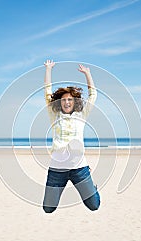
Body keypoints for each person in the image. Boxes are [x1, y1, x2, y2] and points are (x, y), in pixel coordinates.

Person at [42, 59, 100, 213]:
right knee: (48, 208)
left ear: (74, 101)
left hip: (78, 167)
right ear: (60, 102)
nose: (67, 102)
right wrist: (48, 69)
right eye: (64, 100)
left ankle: (93, 187)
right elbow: (47, 92)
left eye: (70, 99)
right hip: (57, 168)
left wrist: (88, 74)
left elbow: (93, 95)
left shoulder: (81, 114)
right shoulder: (54, 115)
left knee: (94, 206)